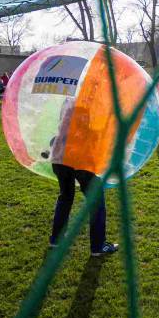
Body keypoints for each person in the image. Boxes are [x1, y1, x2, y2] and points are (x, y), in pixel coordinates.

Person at [46, 99, 118, 255]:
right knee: (96, 200)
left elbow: (55, 141)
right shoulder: (84, 109)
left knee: (65, 196)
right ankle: (98, 246)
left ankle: (56, 240)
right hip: (78, 161)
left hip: (59, 160)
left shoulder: (67, 107)